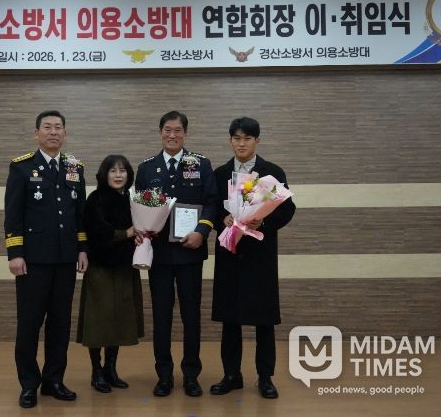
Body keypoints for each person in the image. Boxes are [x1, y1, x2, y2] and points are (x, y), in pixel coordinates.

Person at [4, 110, 89, 408]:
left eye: (58, 127)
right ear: (37, 133)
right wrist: (15, 253)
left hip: (65, 259)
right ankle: (29, 384)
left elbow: (80, 215)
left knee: (60, 323)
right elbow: (13, 214)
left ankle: (54, 380)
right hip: (33, 261)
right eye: (47, 127)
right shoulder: (22, 167)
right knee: (29, 323)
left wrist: (82, 249)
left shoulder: (75, 168)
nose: (53, 132)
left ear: (65, 133)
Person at [210, 117, 296, 399]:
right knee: (230, 320)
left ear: (257, 141)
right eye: (236, 138)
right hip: (230, 254)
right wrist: (221, 218)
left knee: (264, 320)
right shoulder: (220, 173)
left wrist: (264, 222)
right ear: (230, 141)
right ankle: (231, 375)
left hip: (260, 256)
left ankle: (265, 378)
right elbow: (211, 206)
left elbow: (287, 209)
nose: (241, 143)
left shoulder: (272, 173)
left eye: (247, 138)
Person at [135, 111, 218, 398]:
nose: (172, 135)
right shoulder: (147, 168)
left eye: (178, 130)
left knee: (191, 315)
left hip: (190, 252)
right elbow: (139, 205)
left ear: (185, 133)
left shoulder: (201, 164)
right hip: (159, 255)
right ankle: (164, 376)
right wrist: (143, 229)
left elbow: (211, 203)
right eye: (168, 130)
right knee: (161, 316)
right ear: (160, 132)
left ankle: (191, 375)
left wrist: (202, 232)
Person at [76, 155, 145, 393]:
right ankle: (96, 371)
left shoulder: (132, 200)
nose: (118, 175)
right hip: (100, 268)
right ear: (104, 174)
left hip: (125, 266)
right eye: (113, 171)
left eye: (122, 171)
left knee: (119, 319)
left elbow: (141, 228)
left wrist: (142, 235)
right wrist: (126, 233)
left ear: (129, 175)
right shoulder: (95, 198)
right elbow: (96, 232)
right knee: (99, 320)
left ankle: (111, 369)